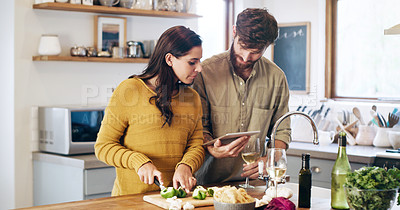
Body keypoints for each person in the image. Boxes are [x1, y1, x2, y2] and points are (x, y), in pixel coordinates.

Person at [95, 26, 205, 195]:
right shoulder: (129, 90)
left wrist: (186, 165)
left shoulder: (192, 98)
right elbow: (103, 147)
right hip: (131, 201)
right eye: (192, 62)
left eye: (199, 61)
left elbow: (196, 144)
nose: (199, 68)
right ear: (169, 59)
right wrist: (138, 162)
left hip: (178, 200)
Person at [193, 8, 291, 185]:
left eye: (256, 51)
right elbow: (197, 126)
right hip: (209, 184)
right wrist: (210, 147)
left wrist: (270, 158)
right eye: (243, 47)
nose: (246, 57)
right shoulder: (205, 72)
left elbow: (282, 130)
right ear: (234, 32)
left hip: (256, 185)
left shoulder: (276, 77)